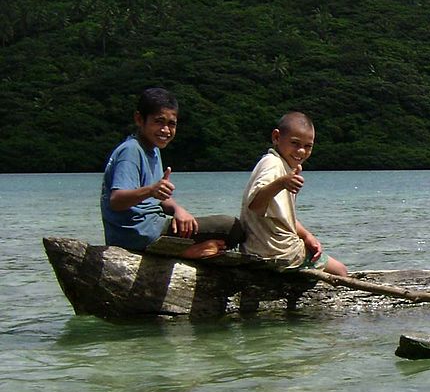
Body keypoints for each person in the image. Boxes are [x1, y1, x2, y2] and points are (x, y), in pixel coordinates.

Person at [100, 88, 242, 258]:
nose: (165, 130)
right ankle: (185, 252)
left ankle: (180, 250)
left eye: (171, 124)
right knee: (231, 228)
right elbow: (116, 201)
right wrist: (151, 190)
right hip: (136, 233)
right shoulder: (131, 151)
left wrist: (178, 210)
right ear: (139, 119)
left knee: (230, 232)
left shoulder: (152, 150)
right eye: (159, 122)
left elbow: (160, 196)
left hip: (150, 226)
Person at [239, 111, 348, 275]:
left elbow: (282, 215)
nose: (301, 151)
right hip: (277, 251)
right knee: (341, 271)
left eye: (307, 146)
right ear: (276, 137)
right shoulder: (273, 164)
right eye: (295, 143)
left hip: (263, 248)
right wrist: (281, 183)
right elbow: (254, 204)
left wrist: (306, 236)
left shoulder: (283, 165)